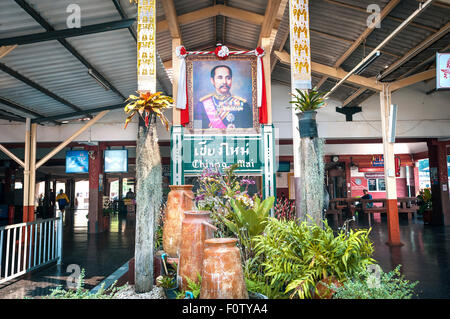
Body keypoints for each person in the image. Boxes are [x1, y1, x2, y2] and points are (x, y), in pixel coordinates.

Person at [194, 65, 253, 129]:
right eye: (220, 78)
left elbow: (249, 132)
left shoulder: (243, 104)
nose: (224, 82)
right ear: (212, 80)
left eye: (228, 78)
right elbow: (197, 130)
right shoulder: (201, 105)